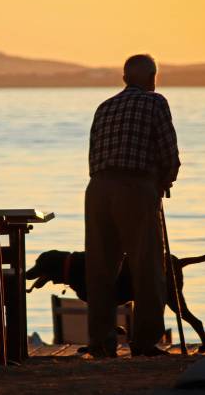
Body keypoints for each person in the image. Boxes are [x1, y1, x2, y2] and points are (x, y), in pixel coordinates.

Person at [84, 54, 180, 357]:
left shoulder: (104, 106)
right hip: (135, 188)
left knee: (99, 269)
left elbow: (92, 154)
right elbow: (169, 153)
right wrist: (164, 181)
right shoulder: (156, 102)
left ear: (124, 79)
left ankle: (101, 341)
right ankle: (144, 342)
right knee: (148, 267)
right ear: (153, 77)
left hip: (98, 189)